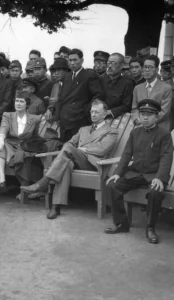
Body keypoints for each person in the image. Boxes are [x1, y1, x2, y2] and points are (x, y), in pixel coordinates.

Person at [21, 100, 118, 219]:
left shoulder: (111, 131)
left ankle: (44, 182)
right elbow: (70, 142)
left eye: (97, 112)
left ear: (104, 114)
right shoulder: (84, 129)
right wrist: (76, 150)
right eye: (92, 111)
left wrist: (81, 149)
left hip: (93, 164)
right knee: (66, 163)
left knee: (68, 149)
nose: (93, 114)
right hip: (74, 159)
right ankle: (56, 207)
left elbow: (102, 149)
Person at [105, 99, 173, 244]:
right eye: (143, 114)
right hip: (135, 173)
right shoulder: (135, 133)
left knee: (156, 192)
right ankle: (121, 223)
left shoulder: (164, 134)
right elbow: (126, 154)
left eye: (150, 114)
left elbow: (166, 158)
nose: (145, 117)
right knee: (112, 185)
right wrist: (117, 173)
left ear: (157, 116)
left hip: (153, 175)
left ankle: (150, 228)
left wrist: (160, 178)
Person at [50, 48, 103, 142]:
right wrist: (58, 115)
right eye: (70, 60)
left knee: (76, 149)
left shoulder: (89, 75)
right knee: (64, 148)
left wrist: (86, 110)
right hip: (65, 121)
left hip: (80, 120)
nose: (72, 63)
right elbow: (61, 98)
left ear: (82, 61)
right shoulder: (66, 77)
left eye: (75, 60)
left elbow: (98, 95)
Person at [131, 55, 172, 132]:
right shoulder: (137, 88)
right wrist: (137, 119)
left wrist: (146, 122)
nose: (146, 70)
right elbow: (134, 109)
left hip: (160, 129)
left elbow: (164, 112)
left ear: (157, 69)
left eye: (150, 67)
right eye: (145, 67)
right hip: (141, 128)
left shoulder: (166, 88)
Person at [99, 53, 134, 119]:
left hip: (117, 118)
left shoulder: (127, 83)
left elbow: (127, 105)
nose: (109, 66)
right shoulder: (101, 80)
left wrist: (111, 111)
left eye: (113, 63)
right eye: (108, 63)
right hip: (99, 116)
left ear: (121, 66)